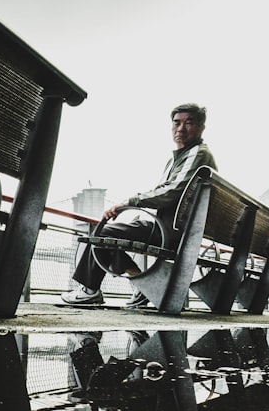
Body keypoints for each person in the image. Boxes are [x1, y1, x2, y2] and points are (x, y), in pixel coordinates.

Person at [61, 103, 217, 307]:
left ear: (201, 128)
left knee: (102, 232)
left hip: (173, 232)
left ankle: (90, 290)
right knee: (110, 233)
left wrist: (129, 202)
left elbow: (172, 191)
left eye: (189, 123)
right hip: (177, 230)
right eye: (176, 123)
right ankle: (141, 284)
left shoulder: (197, 153)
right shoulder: (180, 158)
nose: (180, 128)